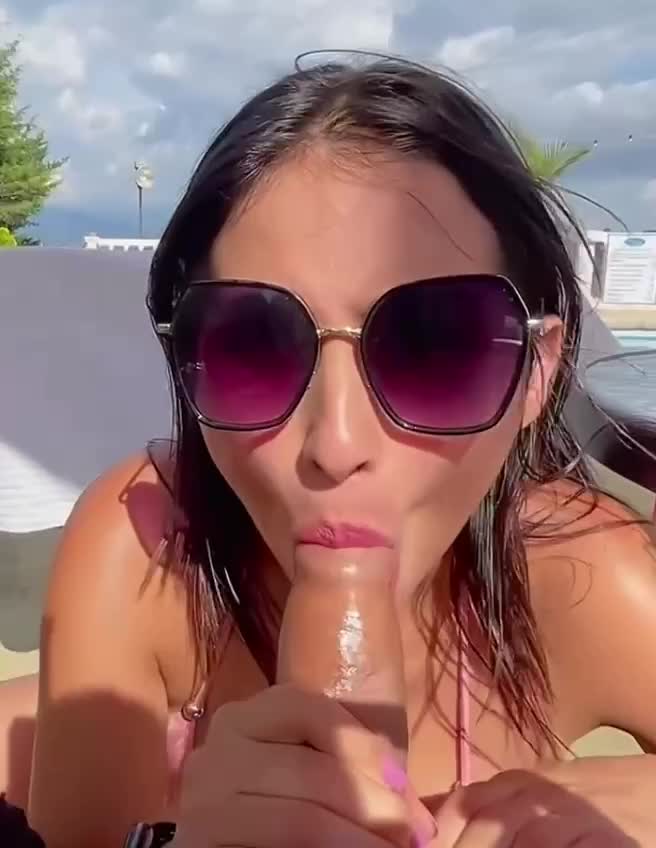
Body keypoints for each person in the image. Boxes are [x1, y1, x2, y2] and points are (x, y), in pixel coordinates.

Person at [1, 54, 656, 848]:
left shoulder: (586, 576)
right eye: (252, 343)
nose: (335, 445)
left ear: (534, 375)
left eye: (436, 345)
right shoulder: (139, 558)